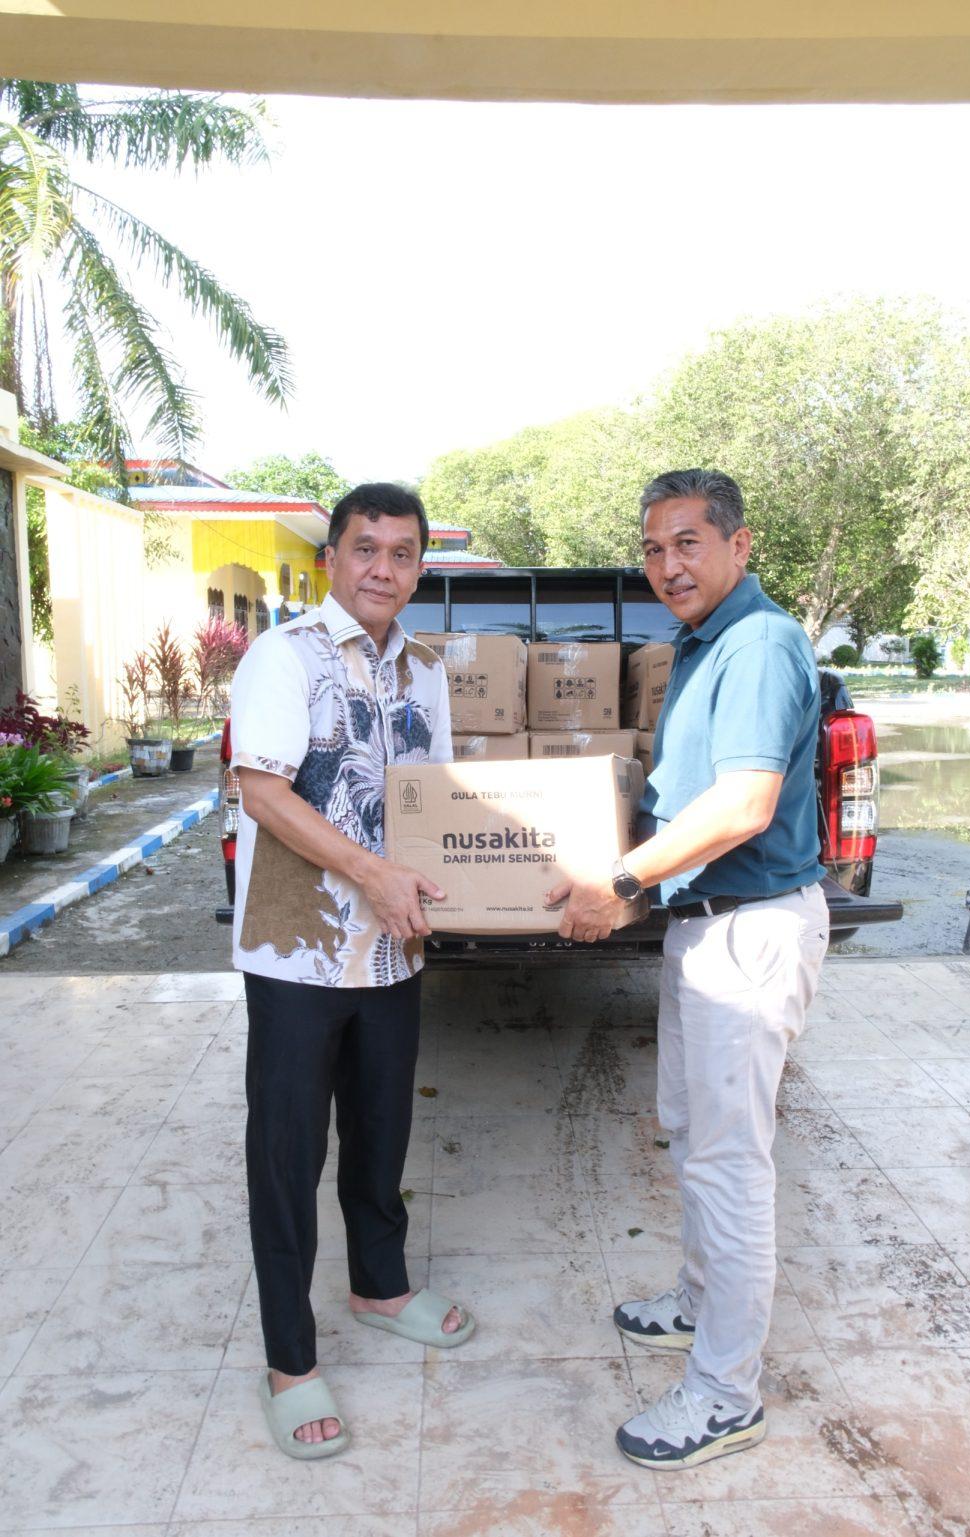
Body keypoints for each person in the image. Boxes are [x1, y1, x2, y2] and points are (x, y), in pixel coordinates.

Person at [547, 468, 829, 1470]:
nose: (667, 565)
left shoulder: (759, 644)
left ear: (739, 545)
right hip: (704, 924)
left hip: (749, 931)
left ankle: (724, 1395)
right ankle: (700, 1301)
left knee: (729, 1165)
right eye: (653, 548)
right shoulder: (703, 641)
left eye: (687, 543)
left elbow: (744, 804)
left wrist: (618, 879)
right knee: (690, 1133)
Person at [230, 482, 475, 1461]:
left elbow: (435, 798)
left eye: (402, 552)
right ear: (331, 556)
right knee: (288, 1152)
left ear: (419, 568)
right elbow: (262, 790)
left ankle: (379, 1285)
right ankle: (290, 1363)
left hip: (390, 945)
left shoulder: (426, 669)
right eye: (365, 548)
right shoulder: (283, 656)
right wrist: (371, 872)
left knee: (382, 1129)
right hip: (299, 947)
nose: (383, 567)